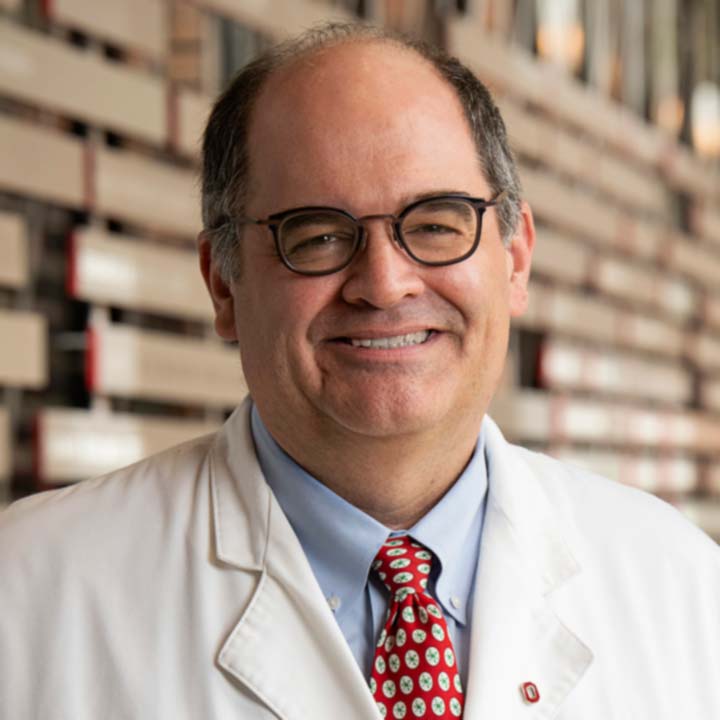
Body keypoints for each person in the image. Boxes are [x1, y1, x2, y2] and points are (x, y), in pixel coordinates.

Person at [1, 22, 719, 720]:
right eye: (317, 235)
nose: (383, 283)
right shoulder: (31, 595)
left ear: (516, 260)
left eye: (435, 224)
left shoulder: (681, 588)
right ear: (222, 284)